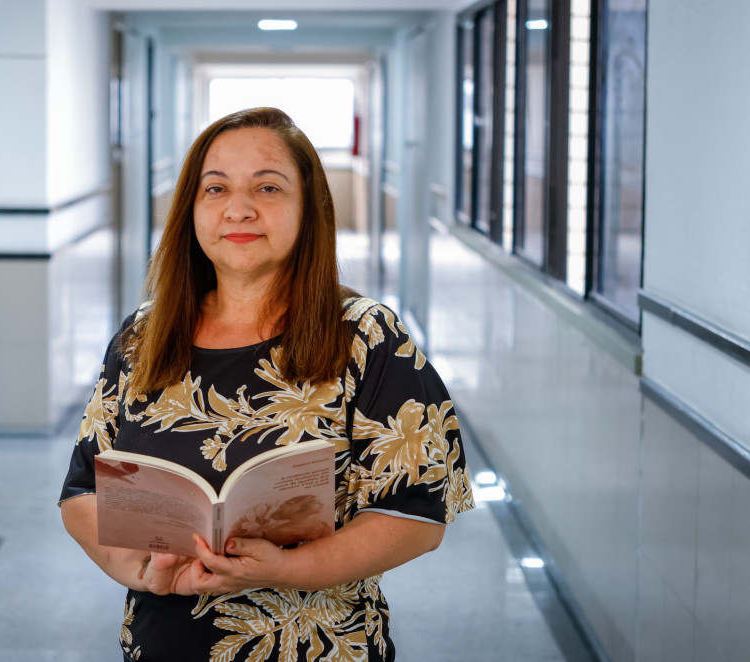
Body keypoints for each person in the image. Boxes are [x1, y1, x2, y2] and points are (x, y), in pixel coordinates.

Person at [59, 107, 475, 661]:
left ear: (309, 209)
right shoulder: (145, 333)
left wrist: (289, 568)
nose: (239, 208)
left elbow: (417, 513)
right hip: (164, 644)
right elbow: (84, 490)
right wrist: (140, 568)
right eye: (215, 188)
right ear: (191, 210)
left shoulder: (367, 336)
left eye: (269, 187)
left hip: (322, 647)